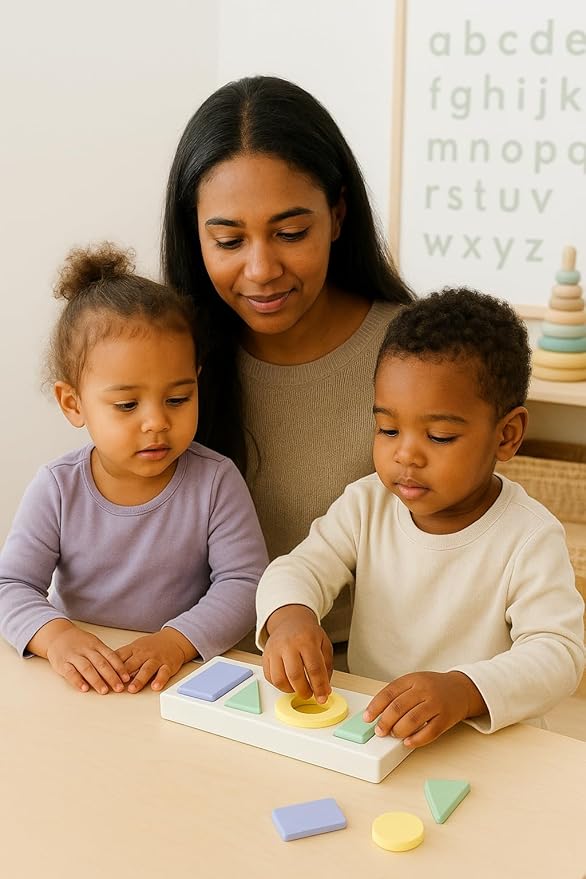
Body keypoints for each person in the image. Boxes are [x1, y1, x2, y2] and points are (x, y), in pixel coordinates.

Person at [255, 288, 585, 748]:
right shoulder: (366, 504)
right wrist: (290, 618)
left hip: (484, 741)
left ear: (506, 436)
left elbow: (558, 654)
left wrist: (463, 690)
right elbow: (299, 567)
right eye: (388, 429)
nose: (405, 454)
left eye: (440, 436)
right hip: (375, 731)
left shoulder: (529, 536)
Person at [162, 75, 413, 645]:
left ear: (338, 216)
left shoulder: (415, 353)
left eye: (291, 232)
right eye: (228, 241)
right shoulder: (173, 358)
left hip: (369, 684)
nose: (261, 270)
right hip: (201, 660)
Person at [0, 244, 268, 695]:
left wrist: (176, 641)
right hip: (80, 686)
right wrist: (58, 638)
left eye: (178, 399)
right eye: (127, 404)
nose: (157, 422)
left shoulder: (215, 480)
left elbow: (245, 584)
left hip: (181, 680)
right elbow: (11, 585)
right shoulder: (57, 487)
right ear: (74, 403)